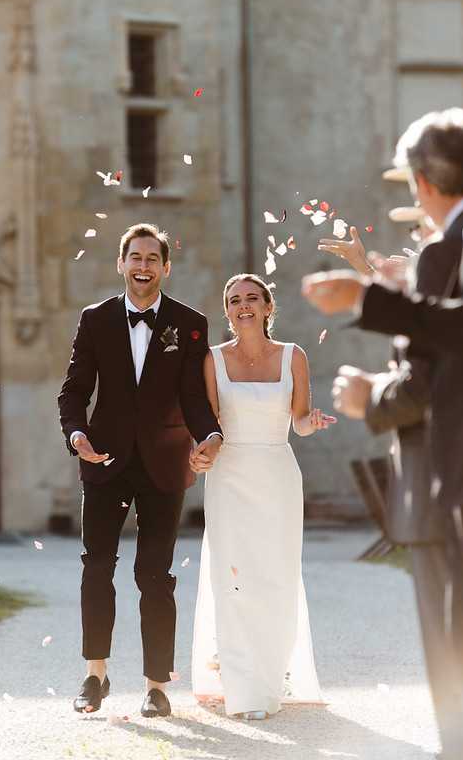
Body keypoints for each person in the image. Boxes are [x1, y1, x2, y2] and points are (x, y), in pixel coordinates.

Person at [302, 108, 463, 760]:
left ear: (421, 182)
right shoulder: (459, 241)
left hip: (462, 469)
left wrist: (367, 395)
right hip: (459, 467)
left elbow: (444, 360)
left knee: (462, 638)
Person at [58, 223, 223, 718]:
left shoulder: (191, 324)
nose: (144, 266)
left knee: (155, 575)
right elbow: (73, 390)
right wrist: (76, 434)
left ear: (166, 267)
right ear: (121, 263)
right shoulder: (95, 319)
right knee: (96, 566)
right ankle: (95, 676)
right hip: (104, 461)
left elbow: (194, 396)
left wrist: (211, 435)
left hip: (164, 464)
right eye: (136, 257)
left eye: (153, 258)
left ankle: (156, 685)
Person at [191, 274, 334, 719]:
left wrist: (314, 422)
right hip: (229, 475)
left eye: (253, 298)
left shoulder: (294, 356)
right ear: (227, 310)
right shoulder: (212, 360)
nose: (244, 305)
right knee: (231, 578)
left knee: (275, 577)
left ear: (269, 307)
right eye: (235, 300)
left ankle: (270, 680)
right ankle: (242, 688)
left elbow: (299, 422)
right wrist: (202, 451)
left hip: (277, 475)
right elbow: (210, 424)